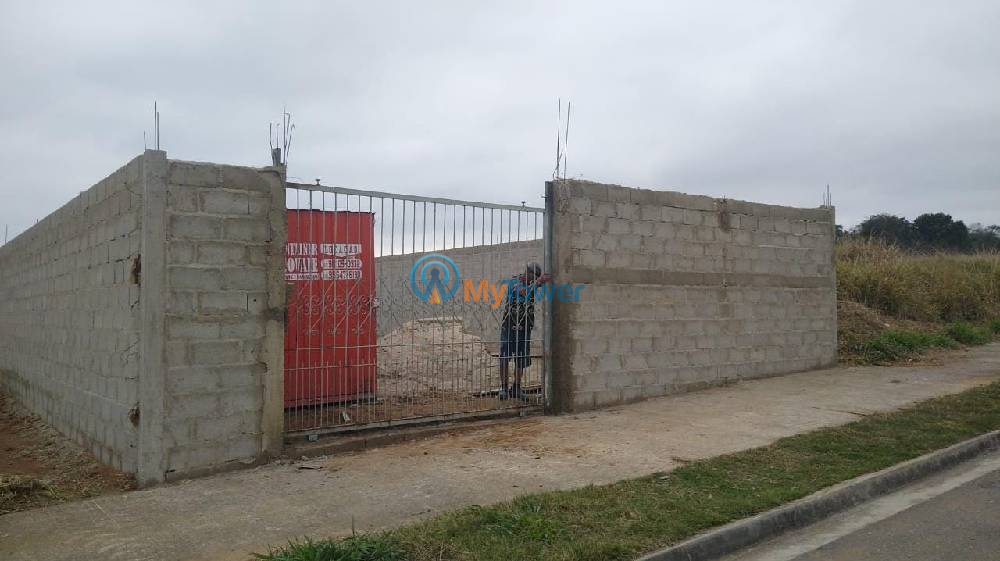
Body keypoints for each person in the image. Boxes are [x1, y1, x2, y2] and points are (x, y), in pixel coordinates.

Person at [499, 262, 550, 400]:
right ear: (526, 273)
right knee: (505, 357)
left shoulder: (532, 284)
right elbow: (522, 293)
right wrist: (538, 283)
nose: (533, 279)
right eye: (532, 276)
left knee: (521, 359)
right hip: (509, 326)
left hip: (525, 327)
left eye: (535, 278)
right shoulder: (514, 282)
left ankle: (516, 388)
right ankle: (504, 388)